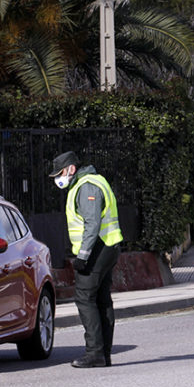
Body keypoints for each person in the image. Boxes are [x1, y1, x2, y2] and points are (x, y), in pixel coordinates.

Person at [49, 151, 123, 368]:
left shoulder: (86, 186)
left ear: (71, 169)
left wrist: (82, 256)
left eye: (60, 173)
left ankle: (95, 353)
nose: (58, 178)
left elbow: (92, 224)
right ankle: (103, 353)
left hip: (98, 247)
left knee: (84, 297)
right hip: (107, 246)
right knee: (101, 299)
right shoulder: (92, 181)